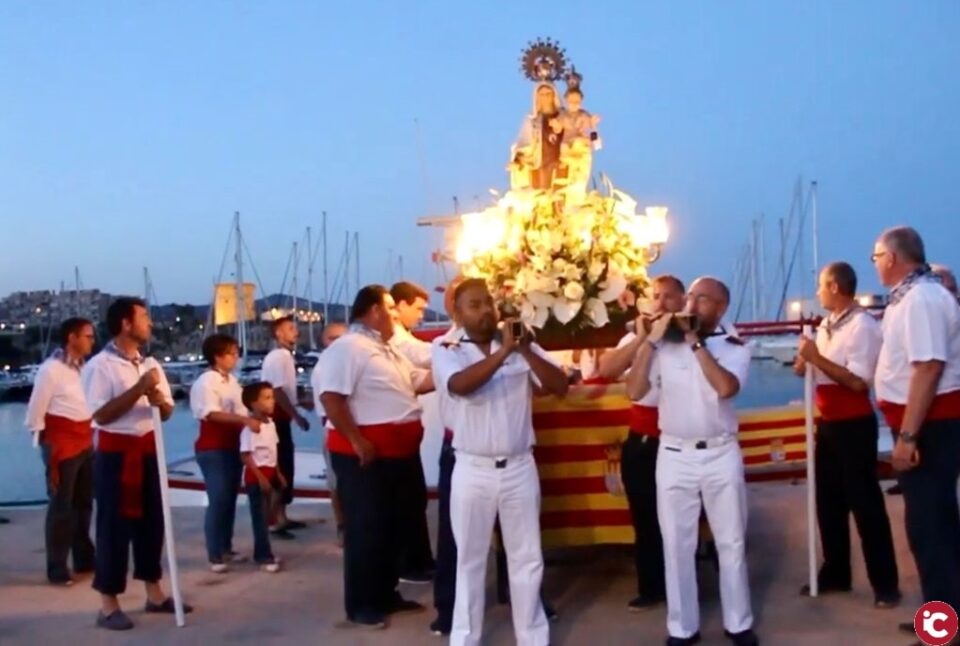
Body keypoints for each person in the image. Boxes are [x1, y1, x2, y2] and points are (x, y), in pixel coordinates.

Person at [432, 278, 568, 646]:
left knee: (527, 558)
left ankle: (533, 637)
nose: (484, 311)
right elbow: (460, 385)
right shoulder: (445, 347)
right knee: (470, 560)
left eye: (488, 303)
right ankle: (465, 638)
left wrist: (524, 351)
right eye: (474, 305)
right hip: (472, 468)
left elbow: (559, 386)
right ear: (458, 313)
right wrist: (504, 353)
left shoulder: (522, 344)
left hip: (520, 466)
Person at [627, 277, 758, 646]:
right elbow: (634, 390)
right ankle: (682, 628)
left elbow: (726, 387)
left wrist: (695, 342)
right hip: (673, 454)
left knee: (730, 541)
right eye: (691, 297)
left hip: (720, 452)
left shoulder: (734, 346)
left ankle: (738, 623)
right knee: (676, 544)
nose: (692, 304)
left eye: (703, 299)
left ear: (720, 308)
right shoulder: (663, 346)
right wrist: (650, 342)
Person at [317, 285, 434, 629]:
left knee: (391, 527)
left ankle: (386, 593)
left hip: (398, 453)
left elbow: (415, 381)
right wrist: (356, 440)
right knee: (366, 529)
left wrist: (456, 368)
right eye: (390, 310)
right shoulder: (348, 348)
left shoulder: (384, 350)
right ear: (372, 311)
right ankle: (362, 604)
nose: (396, 317)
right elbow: (332, 397)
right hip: (367, 456)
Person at [870, 227, 960, 642]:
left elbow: (928, 368)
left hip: (929, 427)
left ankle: (941, 631)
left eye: (876, 256)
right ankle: (939, 615)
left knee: (930, 530)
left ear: (891, 257)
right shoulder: (912, 295)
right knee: (933, 526)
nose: (874, 264)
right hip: (922, 423)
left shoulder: (922, 298)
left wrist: (907, 438)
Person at [81, 297, 193, 631]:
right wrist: (138, 389)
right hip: (117, 455)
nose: (151, 323)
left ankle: (154, 593)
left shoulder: (150, 364)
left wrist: (159, 401)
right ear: (126, 324)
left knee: (152, 524)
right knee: (114, 528)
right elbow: (100, 414)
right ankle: (108, 603)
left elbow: (167, 412)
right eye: (144, 317)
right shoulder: (99, 366)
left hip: (149, 450)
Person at [793, 262, 900, 607]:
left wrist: (817, 359)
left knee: (865, 503)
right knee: (828, 501)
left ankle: (885, 583)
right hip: (828, 423)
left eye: (821, 286)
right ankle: (836, 571)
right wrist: (805, 363)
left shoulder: (862, 326)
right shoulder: (826, 324)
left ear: (836, 287)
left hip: (854, 424)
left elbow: (857, 381)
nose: (818, 292)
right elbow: (821, 368)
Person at [597, 275, 686, 612]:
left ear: (682, 301)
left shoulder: (688, 338)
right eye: (656, 296)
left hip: (676, 438)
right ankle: (651, 586)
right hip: (642, 439)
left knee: (678, 519)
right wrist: (642, 339)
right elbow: (607, 368)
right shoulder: (635, 335)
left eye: (668, 297)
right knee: (644, 517)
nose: (661, 302)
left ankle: (683, 584)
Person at [24, 317, 96, 586]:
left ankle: (84, 558)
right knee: (61, 507)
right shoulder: (50, 370)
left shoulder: (83, 368)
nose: (92, 341)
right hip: (61, 443)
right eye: (87, 336)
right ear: (72, 338)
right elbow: (36, 410)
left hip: (85, 439)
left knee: (83, 504)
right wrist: (46, 446)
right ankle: (57, 567)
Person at [190, 333, 260, 573]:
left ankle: (226, 546)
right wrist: (242, 419)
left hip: (232, 446)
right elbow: (210, 413)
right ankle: (214, 553)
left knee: (229, 498)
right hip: (213, 447)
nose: (236, 357)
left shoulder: (232, 381)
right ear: (217, 356)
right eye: (231, 353)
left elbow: (243, 410)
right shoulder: (206, 382)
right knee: (218, 497)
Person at [389, 280, 436, 584]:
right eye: (417, 309)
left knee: (414, 497)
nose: (421, 315)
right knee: (406, 500)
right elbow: (421, 355)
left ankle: (419, 560)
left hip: (406, 432)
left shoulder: (401, 337)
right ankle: (410, 564)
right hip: (394, 433)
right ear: (400, 306)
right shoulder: (397, 338)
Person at [261, 315, 310, 536]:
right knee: (280, 467)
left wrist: (301, 403)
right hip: (277, 420)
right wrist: (297, 416)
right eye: (291, 328)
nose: (296, 332)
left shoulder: (283, 357)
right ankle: (273, 520)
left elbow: (286, 390)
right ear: (278, 333)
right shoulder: (279, 356)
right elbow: (278, 391)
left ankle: (281, 516)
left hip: (281, 419)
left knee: (285, 467)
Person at [239, 381, 284, 573]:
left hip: (271, 472)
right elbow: (246, 455)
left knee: (267, 516)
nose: (272, 401)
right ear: (253, 404)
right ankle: (264, 556)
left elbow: (274, 450)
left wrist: (279, 473)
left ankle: (264, 551)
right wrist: (260, 477)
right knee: (259, 518)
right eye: (266, 398)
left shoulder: (271, 424)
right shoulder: (251, 428)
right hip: (257, 477)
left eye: (272, 397)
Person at [309, 321, 348, 545]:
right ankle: (342, 526)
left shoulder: (343, 364)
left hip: (346, 429)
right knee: (337, 483)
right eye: (333, 338)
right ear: (325, 341)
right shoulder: (324, 368)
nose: (338, 343)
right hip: (335, 430)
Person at [509, 83, 563, 190]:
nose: (545, 97)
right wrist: (518, 159)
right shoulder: (532, 120)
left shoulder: (564, 116)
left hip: (560, 162)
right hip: (539, 162)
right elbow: (524, 141)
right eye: (541, 94)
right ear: (537, 97)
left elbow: (578, 133)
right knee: (541, 195)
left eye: (548, 93)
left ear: (554, 95)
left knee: (560, 194)